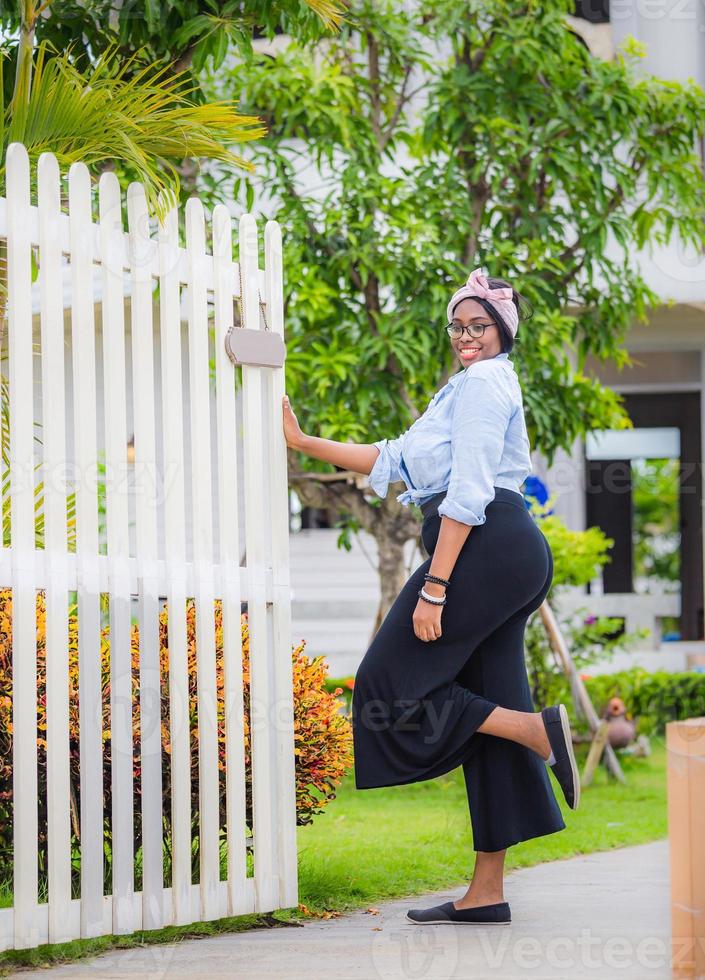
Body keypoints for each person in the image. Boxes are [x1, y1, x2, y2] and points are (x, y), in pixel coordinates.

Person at [281, 267, 580, 927]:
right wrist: (303, 443)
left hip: (481, 545)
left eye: (479, 326)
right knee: (484, 703)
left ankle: (533, 731)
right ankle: (486, 890)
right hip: (504, 550)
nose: (465, 336)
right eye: (458, 325)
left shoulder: (479, 386)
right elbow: (393, 459)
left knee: (385, 682)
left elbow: (468, 492)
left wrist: (436, 586)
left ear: (502, 332)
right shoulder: (466, 389)